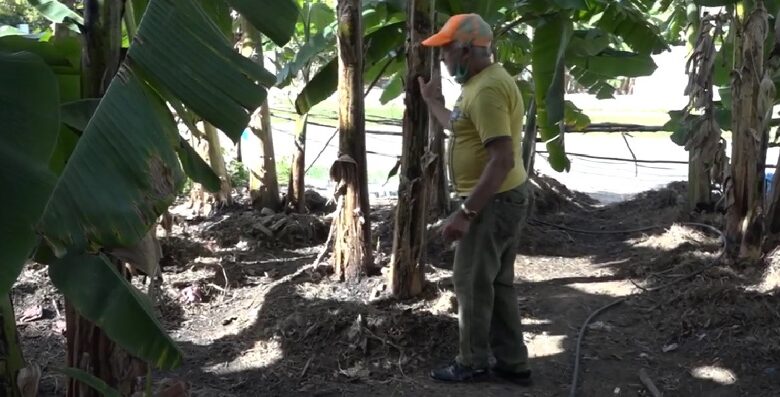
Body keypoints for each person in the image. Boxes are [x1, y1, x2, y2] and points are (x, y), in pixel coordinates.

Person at [418, 13, 533, 385]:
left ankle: (473, 363)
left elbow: (502, 159)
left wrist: (466, 213)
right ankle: (513, 363)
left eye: (447, 52)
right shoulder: (483, 82)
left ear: (467, 51)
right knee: (496, 284)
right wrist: (431, 101)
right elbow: (457, 126)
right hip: (502, 197)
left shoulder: (485, 91)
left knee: (470, 283)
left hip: (491, 202)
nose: (444, 60)